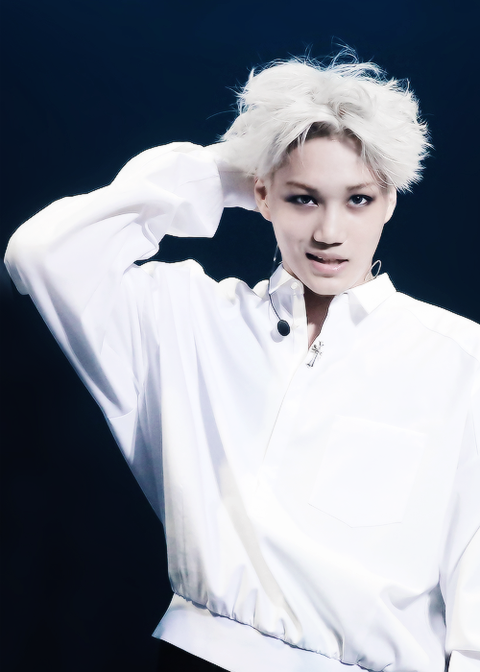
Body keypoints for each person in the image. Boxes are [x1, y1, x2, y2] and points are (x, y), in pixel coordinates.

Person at [5, 53, 480, 672]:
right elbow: (43, 253)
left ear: (390, 200)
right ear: (261, 195)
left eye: (359, 199)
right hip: (193, 655)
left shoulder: (460, 359)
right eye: (303, 198)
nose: (329, 231)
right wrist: (232, 167)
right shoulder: (188, 318)